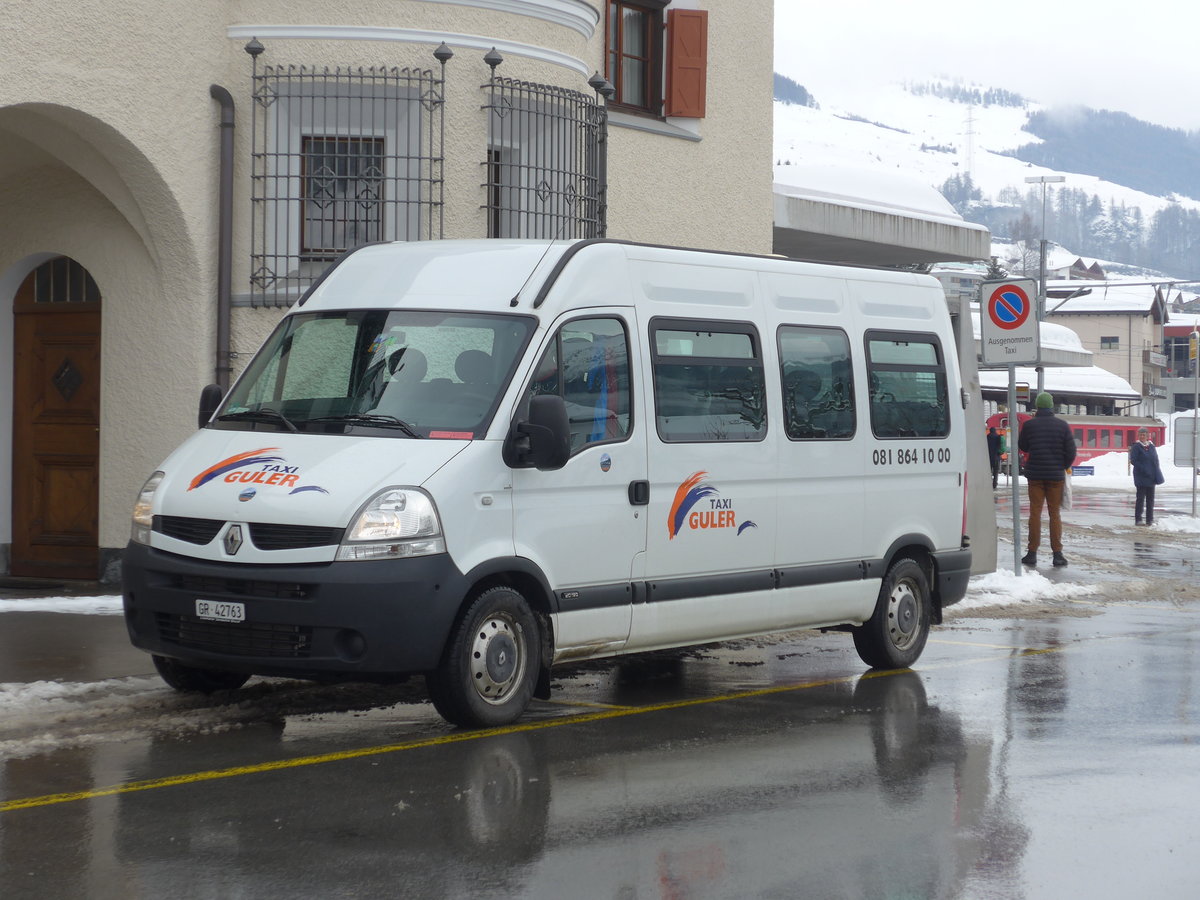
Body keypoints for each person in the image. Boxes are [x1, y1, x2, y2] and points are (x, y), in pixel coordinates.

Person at [1017, 392, 1076, 568]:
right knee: (1054, 514)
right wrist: (1061, 465)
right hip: (1055, 477)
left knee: (1035, 512)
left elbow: (1023, 446)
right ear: (1051, 407)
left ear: (1037, 407)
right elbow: (1071, 452)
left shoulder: (1029, 425)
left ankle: (1032, 553)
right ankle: (1057, 554)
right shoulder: (1062, 425)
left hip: (1035, 475)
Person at [1129, 426, 1164, 526]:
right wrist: (1145, 469)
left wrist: (1156, 471)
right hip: (1141, 477)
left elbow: (1155, 460)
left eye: (1144, 434)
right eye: (1140, 434)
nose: (1142, 436)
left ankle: (1150, 520)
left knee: (1150, 500)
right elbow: (1134, 461)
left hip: (1151, 477)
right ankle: (1138, 519)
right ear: (1138, 435)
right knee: (1140, 499)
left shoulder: (1151, 446)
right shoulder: (1136, 446)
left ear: (1147, 436)